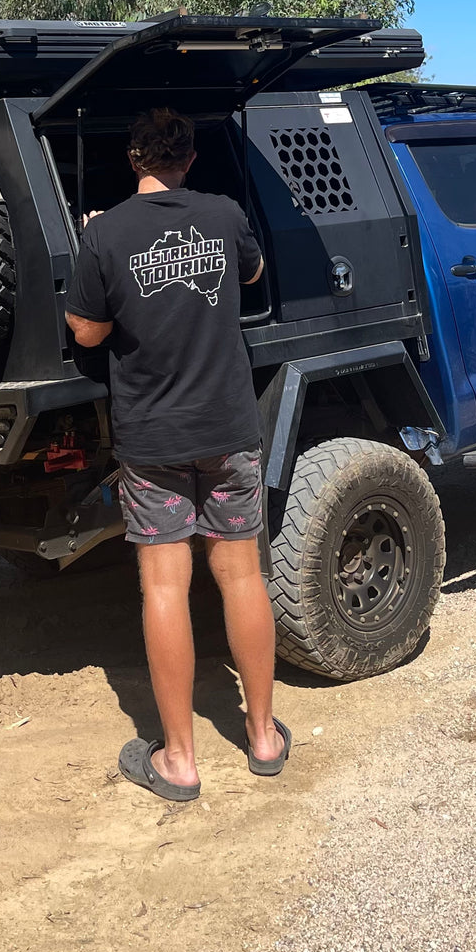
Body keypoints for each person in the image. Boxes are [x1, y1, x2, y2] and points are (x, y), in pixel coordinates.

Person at [64, 106, 290, 803]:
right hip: (228, 429)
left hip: (154, 441)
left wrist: (97, 247)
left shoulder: (104, 235)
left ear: (134, 158)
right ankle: (262, 738)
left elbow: (89, 331)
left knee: (165, 589)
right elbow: (251, 276)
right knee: (242, 577)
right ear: (189, 159)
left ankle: (180, 762)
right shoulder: (224, 215)